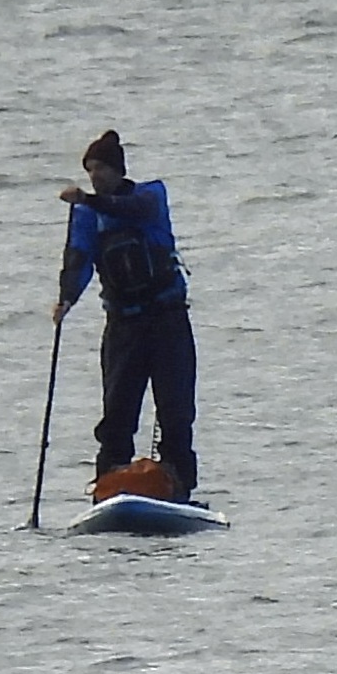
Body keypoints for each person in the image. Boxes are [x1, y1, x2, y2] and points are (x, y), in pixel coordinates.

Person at [54, 131, 198, 497]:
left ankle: (179, 485)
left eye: (100, 168)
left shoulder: (151, 196)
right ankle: (109, 484)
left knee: (176, 412)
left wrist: (87, 199)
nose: (95, 176)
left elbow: (132, 211)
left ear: (118, 169)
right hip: (123, 326)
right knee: (117, 415)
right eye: (90, 170)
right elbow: (79, 258)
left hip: (167, 320)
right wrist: (67, 297)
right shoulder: (87, 215)